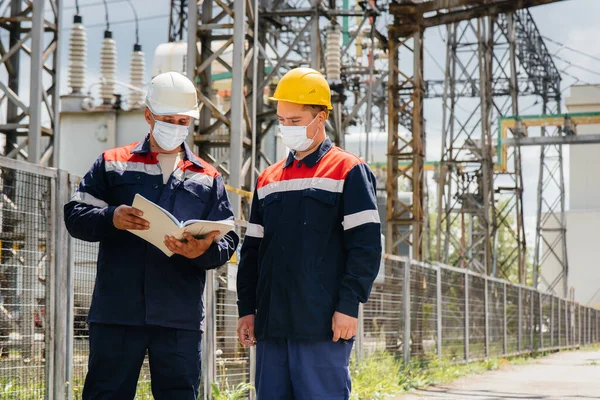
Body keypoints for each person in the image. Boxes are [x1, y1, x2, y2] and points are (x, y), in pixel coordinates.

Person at [64, 71, 239, 400]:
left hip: (178, 317)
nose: (175, 126)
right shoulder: (112, 164)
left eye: (182, 120)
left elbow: (228, 241)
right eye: (167, 119)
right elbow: (74, 215)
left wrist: (201, 250)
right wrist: (111, 217)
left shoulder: (207, 177)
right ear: (148, 115)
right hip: (118, 313)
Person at [236, 67, 382, 399]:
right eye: (282, 120)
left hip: (322, 327)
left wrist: (348, 304)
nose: (287, 127)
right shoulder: (268, 178)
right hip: (272, 328)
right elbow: (252, 253)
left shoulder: (348, 170)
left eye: (296, 119)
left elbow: (366, 247)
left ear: (322, 117)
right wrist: (247, 308)